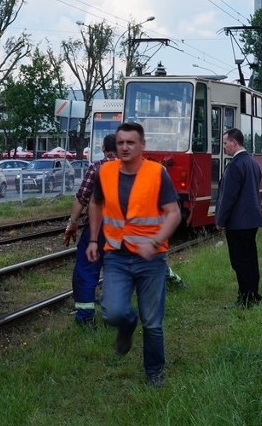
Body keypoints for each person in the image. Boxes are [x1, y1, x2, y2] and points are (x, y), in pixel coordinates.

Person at [87, 122, 181, 387]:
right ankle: (127, 325)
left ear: (142, 145)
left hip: (151, 259)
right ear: (115, 146)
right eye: (120, 143)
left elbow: (173, 213)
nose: (125, 147)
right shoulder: (104, 172)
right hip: (116, 254)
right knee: (112, 313)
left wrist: (155, 241)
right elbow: (95, 202)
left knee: (152, 322)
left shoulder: (156, 173)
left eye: (130, 142)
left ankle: (154, 372)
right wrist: (93, 239)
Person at [62, 134, 118, 326]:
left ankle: (85, 319)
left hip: (98, 228)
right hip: (122, 230)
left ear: (103, 148)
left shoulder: (96, 167)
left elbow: (82, 198)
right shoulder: (131, 168)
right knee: (117, 272)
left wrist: (72, 222)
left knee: (86, 271)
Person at [215, 128, 262, 308]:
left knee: (240, 261)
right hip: (252, 220)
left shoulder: (235, 165)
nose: (224, 147)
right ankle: (253, 295)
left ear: (234, 143)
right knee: (251, 259)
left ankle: (245, 300)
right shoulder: (252, 162)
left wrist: (220, 220)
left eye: (225, 143)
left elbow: (228, 197)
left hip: (238, 223)